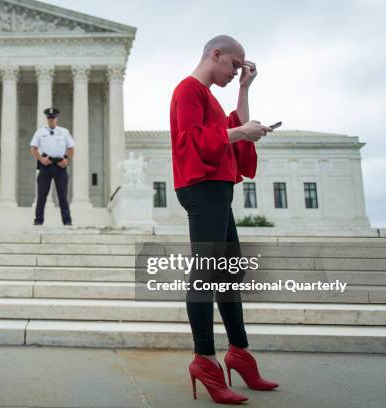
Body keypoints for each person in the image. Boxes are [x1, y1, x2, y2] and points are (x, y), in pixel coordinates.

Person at [170, 35, 278, 404]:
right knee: (204, 272)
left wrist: (245, 91)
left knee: (230, 273)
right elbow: (190, 141)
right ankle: (204, 360)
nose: (235, 73)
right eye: (234, 66)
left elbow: (234, 128)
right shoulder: (189, 90)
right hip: (202, 190)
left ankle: (239, 354)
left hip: (217, 190)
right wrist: (238, 133)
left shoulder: (210, 98)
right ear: (215, 55)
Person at [30, 107, 74, 226]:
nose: (51, 119)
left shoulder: (64, 132)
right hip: (46, 165)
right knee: (42, 195)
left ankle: (67, 221)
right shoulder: (40, 132)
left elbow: (71, 149)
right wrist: (40, 159)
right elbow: (33, 149)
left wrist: (66, 160)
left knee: (63, 196)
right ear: (47, 119)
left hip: (60, 165)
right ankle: (38, 220)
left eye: (53, 117)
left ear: (56, 118)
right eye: (49, 118)